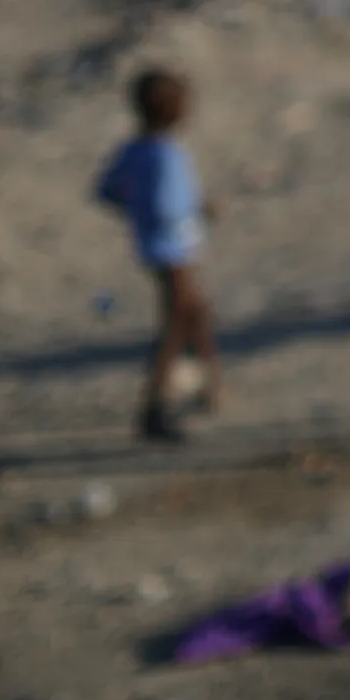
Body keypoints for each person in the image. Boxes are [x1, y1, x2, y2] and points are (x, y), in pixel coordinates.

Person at [95, 69, 219, 442]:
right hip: (173, 249)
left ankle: (209, 388)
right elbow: (169, 205)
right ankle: (155, 407)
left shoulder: (134, 150)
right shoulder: (165, 153)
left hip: (156, 246)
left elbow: (106, 190)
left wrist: (136, 210)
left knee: (195, 312)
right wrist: (198, 210)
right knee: (176, 325)